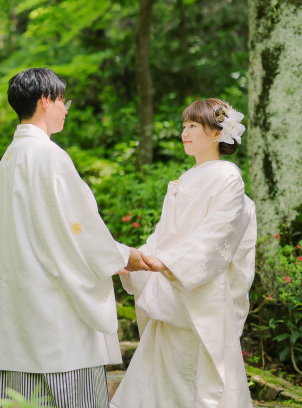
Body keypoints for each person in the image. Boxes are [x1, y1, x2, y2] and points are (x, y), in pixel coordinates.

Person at [0, 68, 149, 408]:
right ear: (45, 101)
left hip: (23, 296)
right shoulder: (48, 155)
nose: (66, 109)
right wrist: (121, 256)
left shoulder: (11, 156)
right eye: (63, 101)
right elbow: (78, 227)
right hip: (54, 302)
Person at [110, 98, 257, 408]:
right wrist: (139, 260)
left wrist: (168, 262)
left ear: (217, 133)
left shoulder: (227, 176)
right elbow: (165, 235)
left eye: (193, 126)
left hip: (199, 290)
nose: (184, 133)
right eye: (184, 126)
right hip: (172, 285)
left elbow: (218, 232)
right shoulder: (187, 177)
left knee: (197, 378)